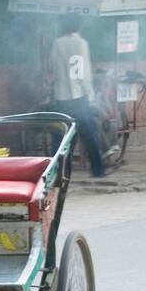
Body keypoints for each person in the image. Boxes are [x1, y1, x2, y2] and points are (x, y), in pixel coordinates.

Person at [48, 15, 106, 177]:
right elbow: (85, 73)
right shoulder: (82, 43)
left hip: (62, 96)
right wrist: (91, 95)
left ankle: (54, 172)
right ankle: (98, 170)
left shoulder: (57, 43)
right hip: (80, 97)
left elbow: (54, 67)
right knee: (90, 135)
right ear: (78, 27)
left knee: (58, 136)